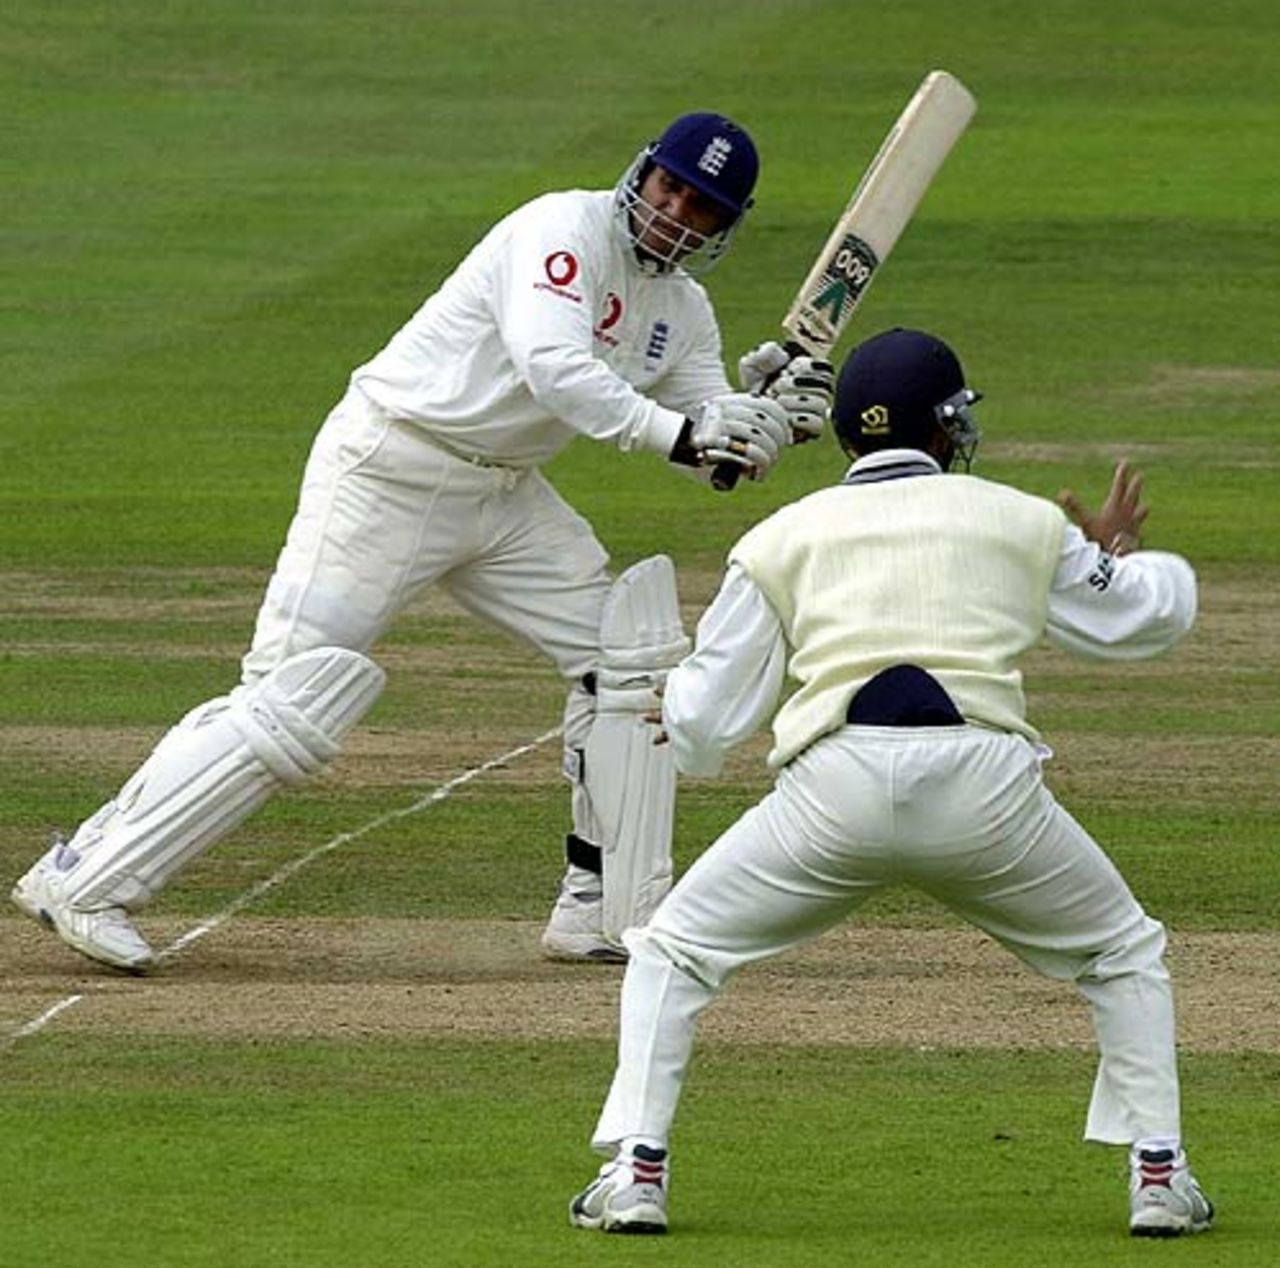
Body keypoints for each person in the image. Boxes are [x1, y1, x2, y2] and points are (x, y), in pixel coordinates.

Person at [11, 112, 835, 973]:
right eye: (671, 187)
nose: (676, 213)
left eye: (701, 208)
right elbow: (555, 368)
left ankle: (600, 907)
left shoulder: (684, 309)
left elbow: (712, 452)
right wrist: (684, 433)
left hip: (504, 495)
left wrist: (768, 416)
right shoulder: (560, 230)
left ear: (721, 227)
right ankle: (86, 878)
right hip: (391, 469)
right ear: (643, 173)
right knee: (294, 696)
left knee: (626, 657)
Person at [569, 327, 1214, 1239]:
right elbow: (1147, 620)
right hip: (986, 790)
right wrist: (1122, 561)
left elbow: (709, 723)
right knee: (1123, 953)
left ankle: (635, 1172)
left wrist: (676, 708)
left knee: (672, 952)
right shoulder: (1019, 518)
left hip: (833, 792)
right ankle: (1158, 1176)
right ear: (947, 427)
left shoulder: (778, 536)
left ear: (846, 437)